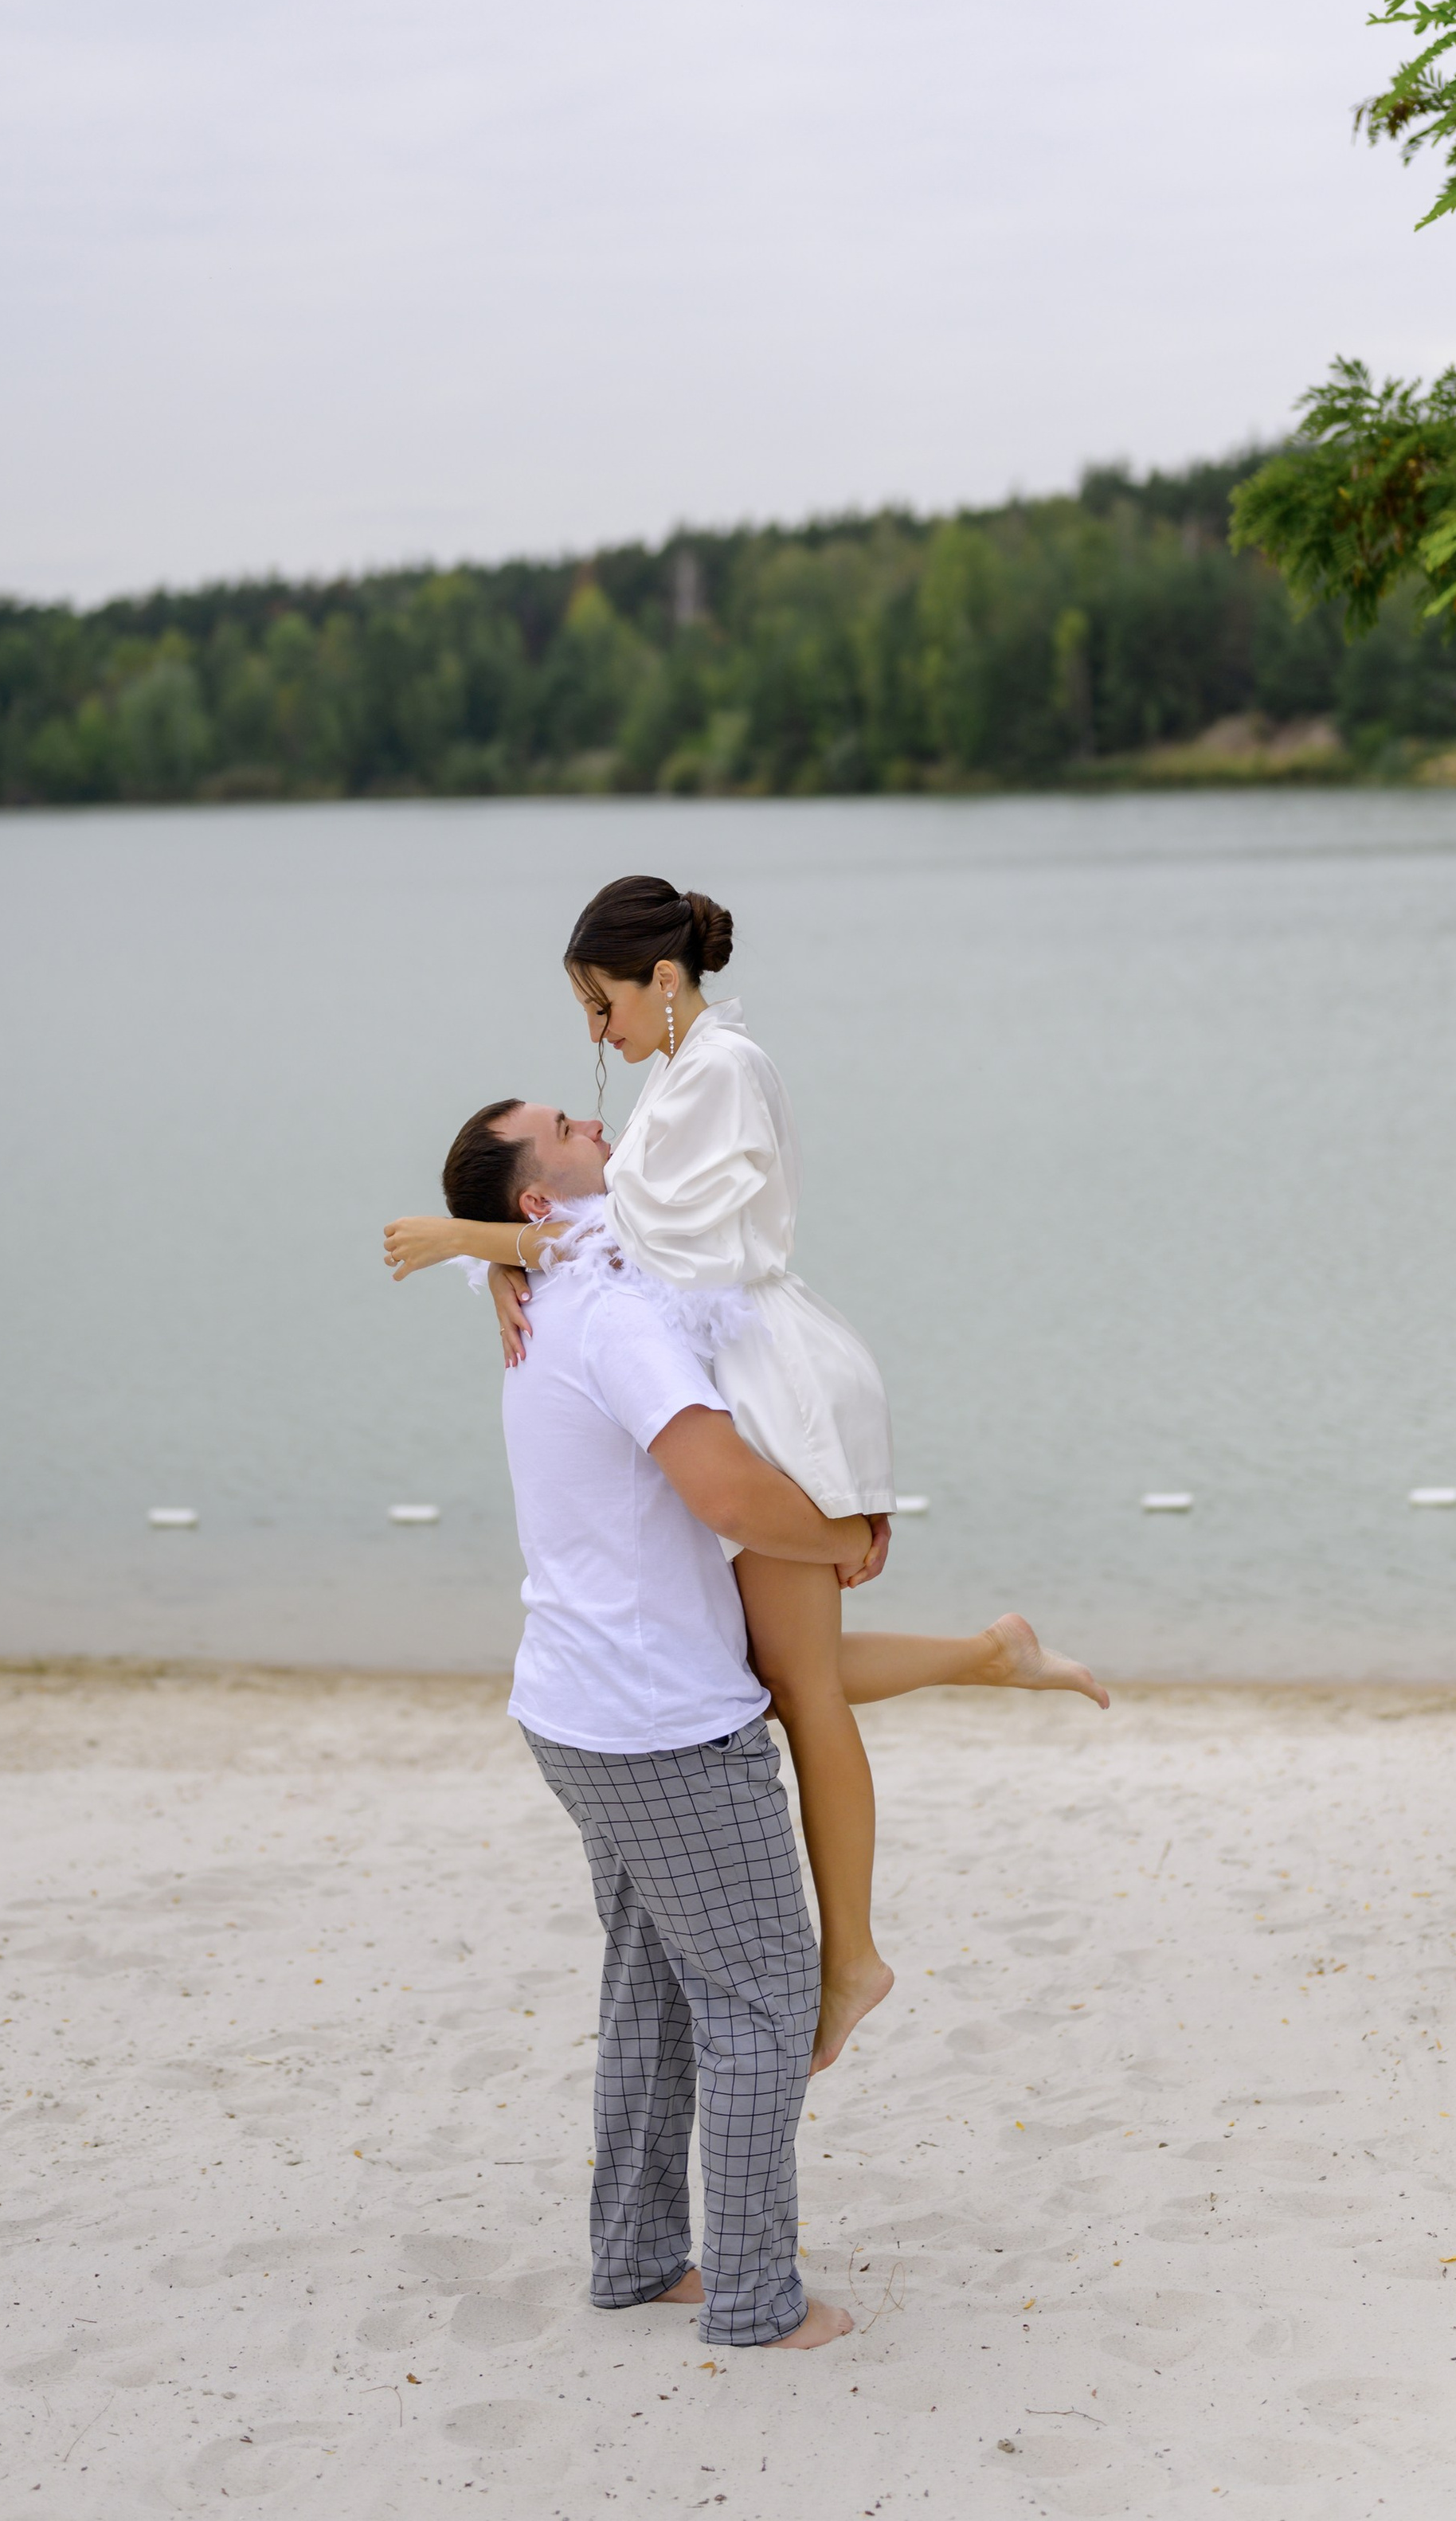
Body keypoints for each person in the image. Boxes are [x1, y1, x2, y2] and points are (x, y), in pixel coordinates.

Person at [386, 879, 1109, 2074]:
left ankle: (854, 1958)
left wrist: (482, 1242)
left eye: (602, 1003)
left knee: (801, 1688)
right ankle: (993, 1656)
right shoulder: (684, 1072)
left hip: (781, 1387)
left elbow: (636, 1241)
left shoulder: (721, 1069)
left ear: (661, 980)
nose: (595, 1032)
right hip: (755, 1372)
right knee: (773, 1670)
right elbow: (605, 1234)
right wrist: (507, 1263)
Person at [459, 1098, 892, 2350]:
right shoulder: (612, 1310)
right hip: (660, 1725)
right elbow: (724, 1490)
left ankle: (640, 2262)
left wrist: (494, 1256)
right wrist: (842, 1529)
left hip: (576, 1708)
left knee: (651, 1989)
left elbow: (528, 1242)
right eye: (563, 1127)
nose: (592, 1118)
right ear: (539, 1199)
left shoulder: (552, 1287)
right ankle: (755, 2300)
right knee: (762, 2001)